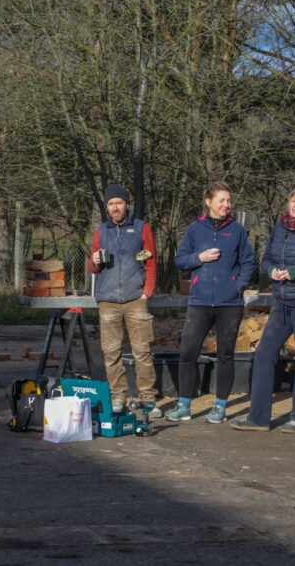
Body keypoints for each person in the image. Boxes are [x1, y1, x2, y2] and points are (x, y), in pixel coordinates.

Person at [231, 186, 295, 433]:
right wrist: (271, 270)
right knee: (264, 354)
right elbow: (266, 259)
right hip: (282, 301)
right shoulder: (279, 229)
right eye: (292, 201)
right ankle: (258, 418)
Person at [167, 182, 254, 424]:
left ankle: (220, 407)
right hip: (200, 301)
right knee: (187, 353)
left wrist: (238, 286)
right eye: (222, 200)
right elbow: (181, 260)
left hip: (230, 303)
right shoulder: (195, 229)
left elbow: (248, 261)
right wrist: (199, 258)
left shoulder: (237, 230)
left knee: (225, 354)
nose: (227, 205)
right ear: (208, 202)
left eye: (228, 200)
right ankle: (184, 405)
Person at [87, 184, 159, 416]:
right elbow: (93, 267)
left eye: (118, 203)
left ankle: (148, 399)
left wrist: (146, 292)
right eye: (110, 204)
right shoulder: (101, 232)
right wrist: (94, 261)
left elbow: (151, 262)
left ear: (127, 204)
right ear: (106, 207)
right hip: (108, 300)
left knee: (142, 351)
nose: (115, 207)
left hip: (135, 298)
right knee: (111, 352)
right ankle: (119, 397)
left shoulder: (142, 228)